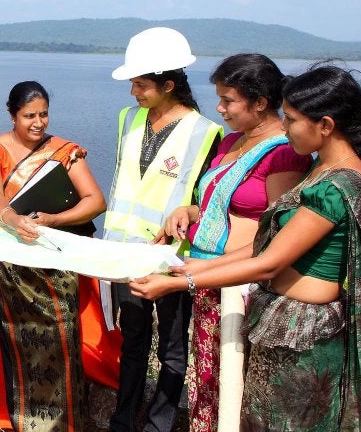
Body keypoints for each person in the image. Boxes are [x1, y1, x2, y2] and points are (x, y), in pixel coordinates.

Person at [130, 65, 361, 430]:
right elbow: (268, 243)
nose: (286, 126)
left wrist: (177, 284)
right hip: (287, 324)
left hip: (304, 332)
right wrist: (194, 269)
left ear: (325, 125)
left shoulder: (335, 188)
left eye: (293, 119)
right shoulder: (323, 172)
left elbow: (269, 263)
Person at [153, 54, 310, 431]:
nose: (219, 108)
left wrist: (208, 269)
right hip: (208, 277)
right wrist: (190, 211)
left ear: (260, 103)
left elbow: (275, 233)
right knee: (208, 375)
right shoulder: (233, 142)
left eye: (228, 100)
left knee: (237, 379)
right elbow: (218, 201)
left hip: (243, 284)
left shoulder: (283, 153)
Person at [103, 27, 223, 432]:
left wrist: (185, 223)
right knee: (133, 343)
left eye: (141, 84)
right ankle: (123, 422)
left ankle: (159, 425)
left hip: (171, 258)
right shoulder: (128, 119)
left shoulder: (205, 132)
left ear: (168, 85)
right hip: (124, 254)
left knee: (173, 349)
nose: (133, 92)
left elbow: (207, 203)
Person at [0, 81, 108, 431]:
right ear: (12, 114)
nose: (38, 123)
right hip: (14, 263)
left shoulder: (64, 151)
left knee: (64, 336)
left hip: (57, 259)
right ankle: (8, 414)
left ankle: (61, 420)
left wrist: (54, 219)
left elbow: (95, 200)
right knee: (16, 334)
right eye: (29, 115)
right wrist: (13, 219)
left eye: (43, 114)